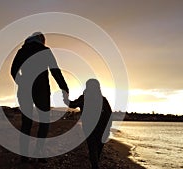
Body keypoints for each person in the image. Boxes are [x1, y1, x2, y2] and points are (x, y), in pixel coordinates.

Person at [10, 32, 69, 163]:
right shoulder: (45, 51)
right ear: (41, 40)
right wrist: (64, 88)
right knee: (44, 121)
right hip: (41, 90)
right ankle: (39, 151)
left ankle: (24, 156)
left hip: (24, 90)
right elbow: (55, 71)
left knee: (26, 123)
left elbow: (13, 70)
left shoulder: (22, 51)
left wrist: (21, 82)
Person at [64, 79, 112, 169]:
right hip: (101, 128)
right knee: (98, 147)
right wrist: (108, 129)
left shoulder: (84, 98)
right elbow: (109, 115)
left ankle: (95, 165)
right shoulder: (102, 99)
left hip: (89, 127)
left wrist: (65, 98)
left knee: (92, 146)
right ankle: (95, 164)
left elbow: (71, 104)